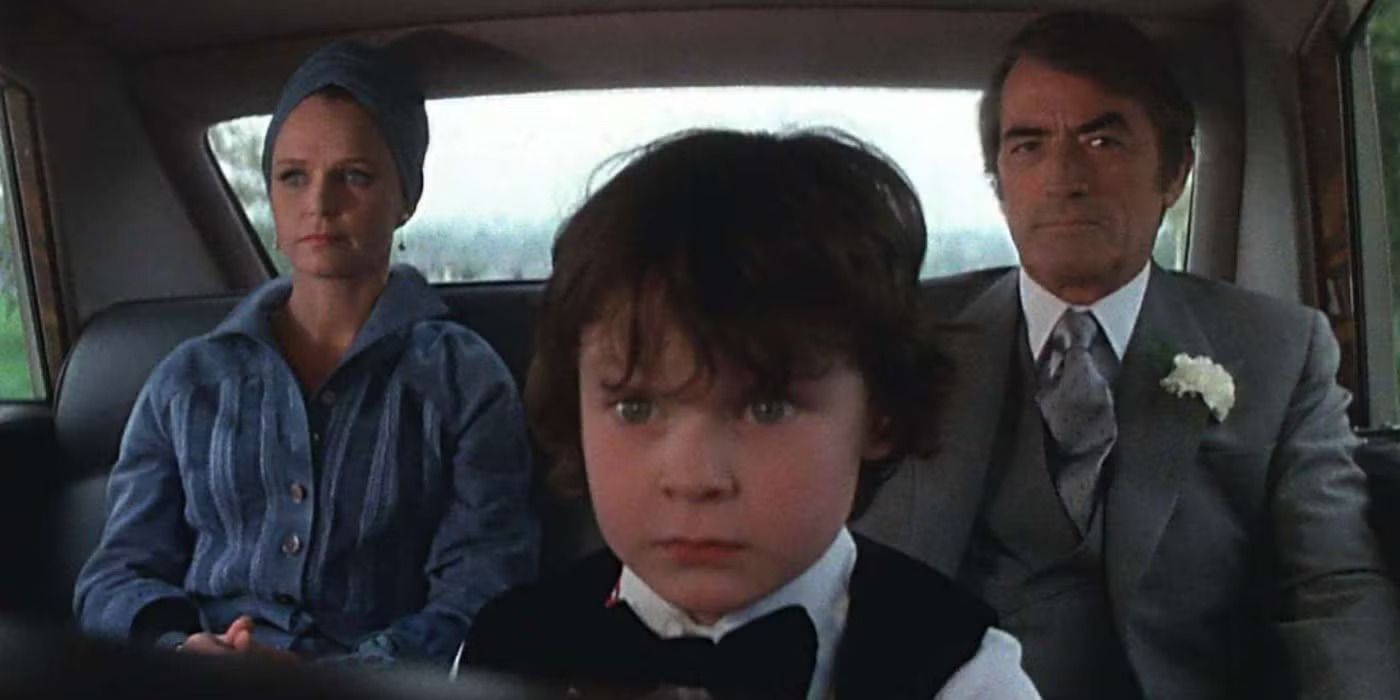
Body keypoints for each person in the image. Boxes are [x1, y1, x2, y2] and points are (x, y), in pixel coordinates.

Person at [855, 11, 1400, 699]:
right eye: (1028, 146)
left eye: (1102, 140)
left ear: (1174, 173)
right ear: (999, 181)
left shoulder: (1277, 349)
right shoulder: (904, 334)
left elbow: (1331, 584)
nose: (1064, 177)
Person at [462, 129, 1040, 699]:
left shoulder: (962, 675)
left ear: (879, 413)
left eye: (766, 408)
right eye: (635, 408)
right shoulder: (502, 650)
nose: (694, 479)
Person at [73, 40, 538, 667]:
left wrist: (333, 679)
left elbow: (486, 589)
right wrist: (181, 648)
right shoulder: (188, 380)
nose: (320, 203)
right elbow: (116, 575)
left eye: (355, 176)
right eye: (294, 176)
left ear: (406, 195)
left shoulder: (463, 379)